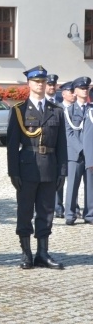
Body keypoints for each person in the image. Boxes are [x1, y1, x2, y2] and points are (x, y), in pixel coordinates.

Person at [7, 65, 67, 270]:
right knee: (25, 211)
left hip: (50, 167)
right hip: (27, 167)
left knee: (46, 212)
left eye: (43, 82)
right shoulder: (19, 110)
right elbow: (12, 145)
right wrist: (13, 171)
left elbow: (62, 145)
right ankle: (26, 253)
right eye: (36, 82)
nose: (40, 85)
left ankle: (43, 253)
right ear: (29, 84)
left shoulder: (56, 111)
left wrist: (63, 171)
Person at [63, 77, 91, 225]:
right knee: (73, 185)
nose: (85, 90)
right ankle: (70, 214)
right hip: (75, 154)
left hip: (90, 154)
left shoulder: (91, 109)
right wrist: (82, 149)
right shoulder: (68, 111)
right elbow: (69, 134)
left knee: (90, 186)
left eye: (86, 88)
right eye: (82, 88)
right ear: (75, 91)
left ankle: (90, 214)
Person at [55, 81, 75, 218]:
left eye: (74, 91)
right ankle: (58, 206)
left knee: (74, 180)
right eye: (70, 91)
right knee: (59, 177)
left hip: (74, 150)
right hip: (61, 149)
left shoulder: (78, 109)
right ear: (63, 94)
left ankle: (73, 205)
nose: (73, 94)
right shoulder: (58, 109)